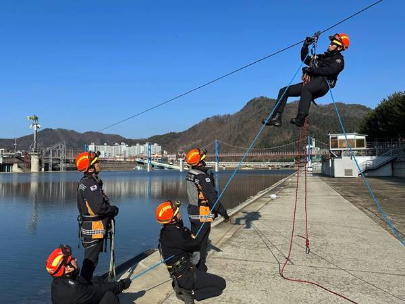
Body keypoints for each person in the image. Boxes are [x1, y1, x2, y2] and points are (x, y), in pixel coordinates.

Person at [263, 33, 350, 128]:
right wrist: (305, 46)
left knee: (307, 88)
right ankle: (276, 117)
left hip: (323, 83)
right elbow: (305, 59)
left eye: (333, 43)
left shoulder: (339, 60)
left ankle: (301, 117)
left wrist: (311, 70)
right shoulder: (322, 57)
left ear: (339, 48)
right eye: (331, 42)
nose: (330, 44)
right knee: (284, 91)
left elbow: (329, 71)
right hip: (313, 82)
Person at [157, 200, 226, 304]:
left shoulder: (167, 230)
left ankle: (184, 286)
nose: (180, 213)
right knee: (221, 284)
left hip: (180, 271)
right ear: (172, 219)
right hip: (186, 276)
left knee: (203, 267)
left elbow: (183, 234)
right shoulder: (177, 235)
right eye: (177, 213)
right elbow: (196, 243)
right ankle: (190, 293)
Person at [76, 151, 119, 282]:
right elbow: (99, 207)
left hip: (92, 228)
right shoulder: (90, 184)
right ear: (90, 168)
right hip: (94, 229)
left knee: (91, 261)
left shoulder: (88, 182)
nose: (99, 164)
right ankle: (83, 290)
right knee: (90, 262)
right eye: (97, 162)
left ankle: (84, 286)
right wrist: (113, 210)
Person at [185, 148, 230, 272]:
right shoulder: (202, 177)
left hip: (192, 211)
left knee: (194, 238)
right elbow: (212, 198)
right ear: (199, 162)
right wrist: (224, 213)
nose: (205, 162)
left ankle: (192, 262)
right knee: (202, 242)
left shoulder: (191, 174)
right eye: (203, 160)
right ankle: (199, 267)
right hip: (201, 213)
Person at [46, 244, 131, 304]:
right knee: (110, 297)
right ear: (67, 268)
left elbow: (86, 284)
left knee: (97, 279)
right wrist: (122, 284)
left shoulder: (57, 282)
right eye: (71, 259)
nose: (75, 260)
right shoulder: (76, 290)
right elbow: (100, 290)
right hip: (78, 295)